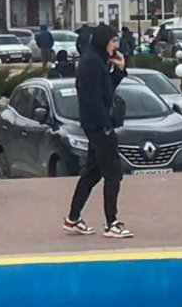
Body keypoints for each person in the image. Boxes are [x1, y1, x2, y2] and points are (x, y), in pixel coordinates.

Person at [63, 24, 132, 238]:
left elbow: (105, 89)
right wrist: (105, 127)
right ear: (104, 41)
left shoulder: (97, 61)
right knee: (113, 173)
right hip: (98, 126)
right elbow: (92, 99)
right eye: (113, 41)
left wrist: (119, 70)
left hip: (95, 125)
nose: (116, 46)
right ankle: (111, 223)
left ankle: (73, 218)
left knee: (93, 172)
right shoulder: (91, 63)